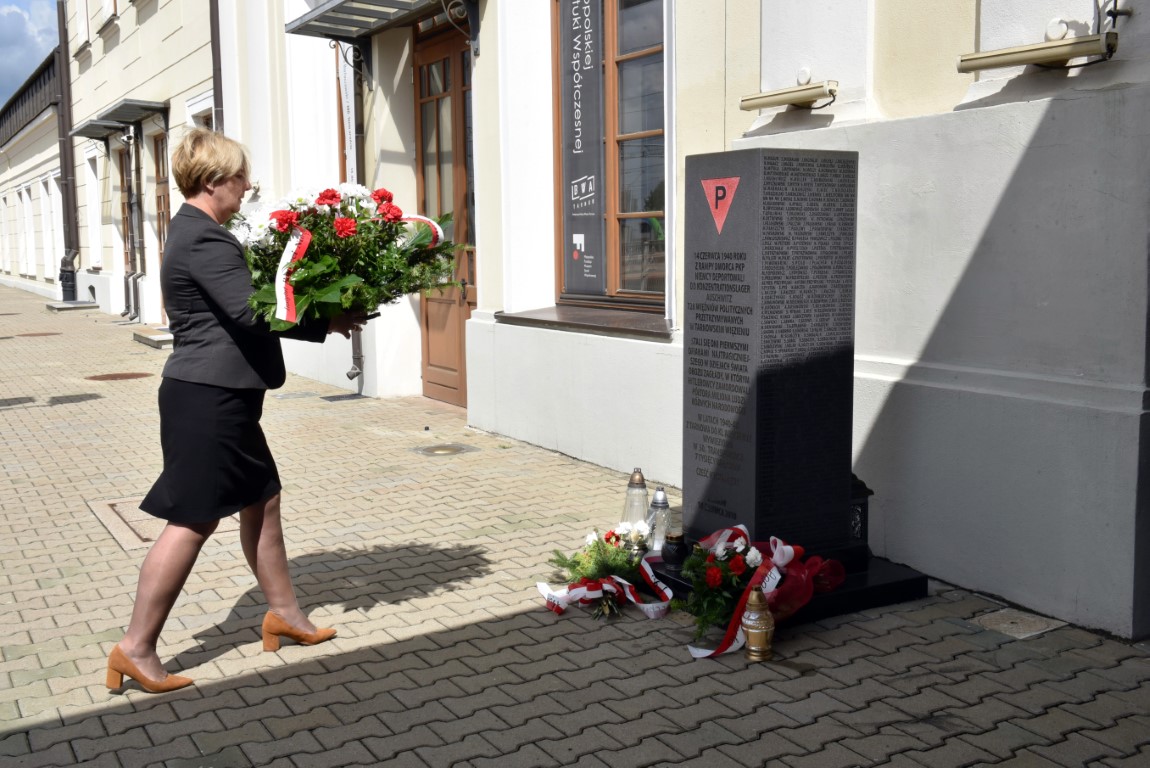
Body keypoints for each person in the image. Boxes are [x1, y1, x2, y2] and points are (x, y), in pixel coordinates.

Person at [105, 128, 363, 694]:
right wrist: (327, 320)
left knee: (262, 500)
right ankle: (135, 648)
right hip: (209, 398)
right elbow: (249, 313)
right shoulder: (205, 238)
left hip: (218, 394)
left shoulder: (196, 231)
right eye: (241, 176)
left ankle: (285, 616)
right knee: (193, 520)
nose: (247, 186)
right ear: (214, 180)